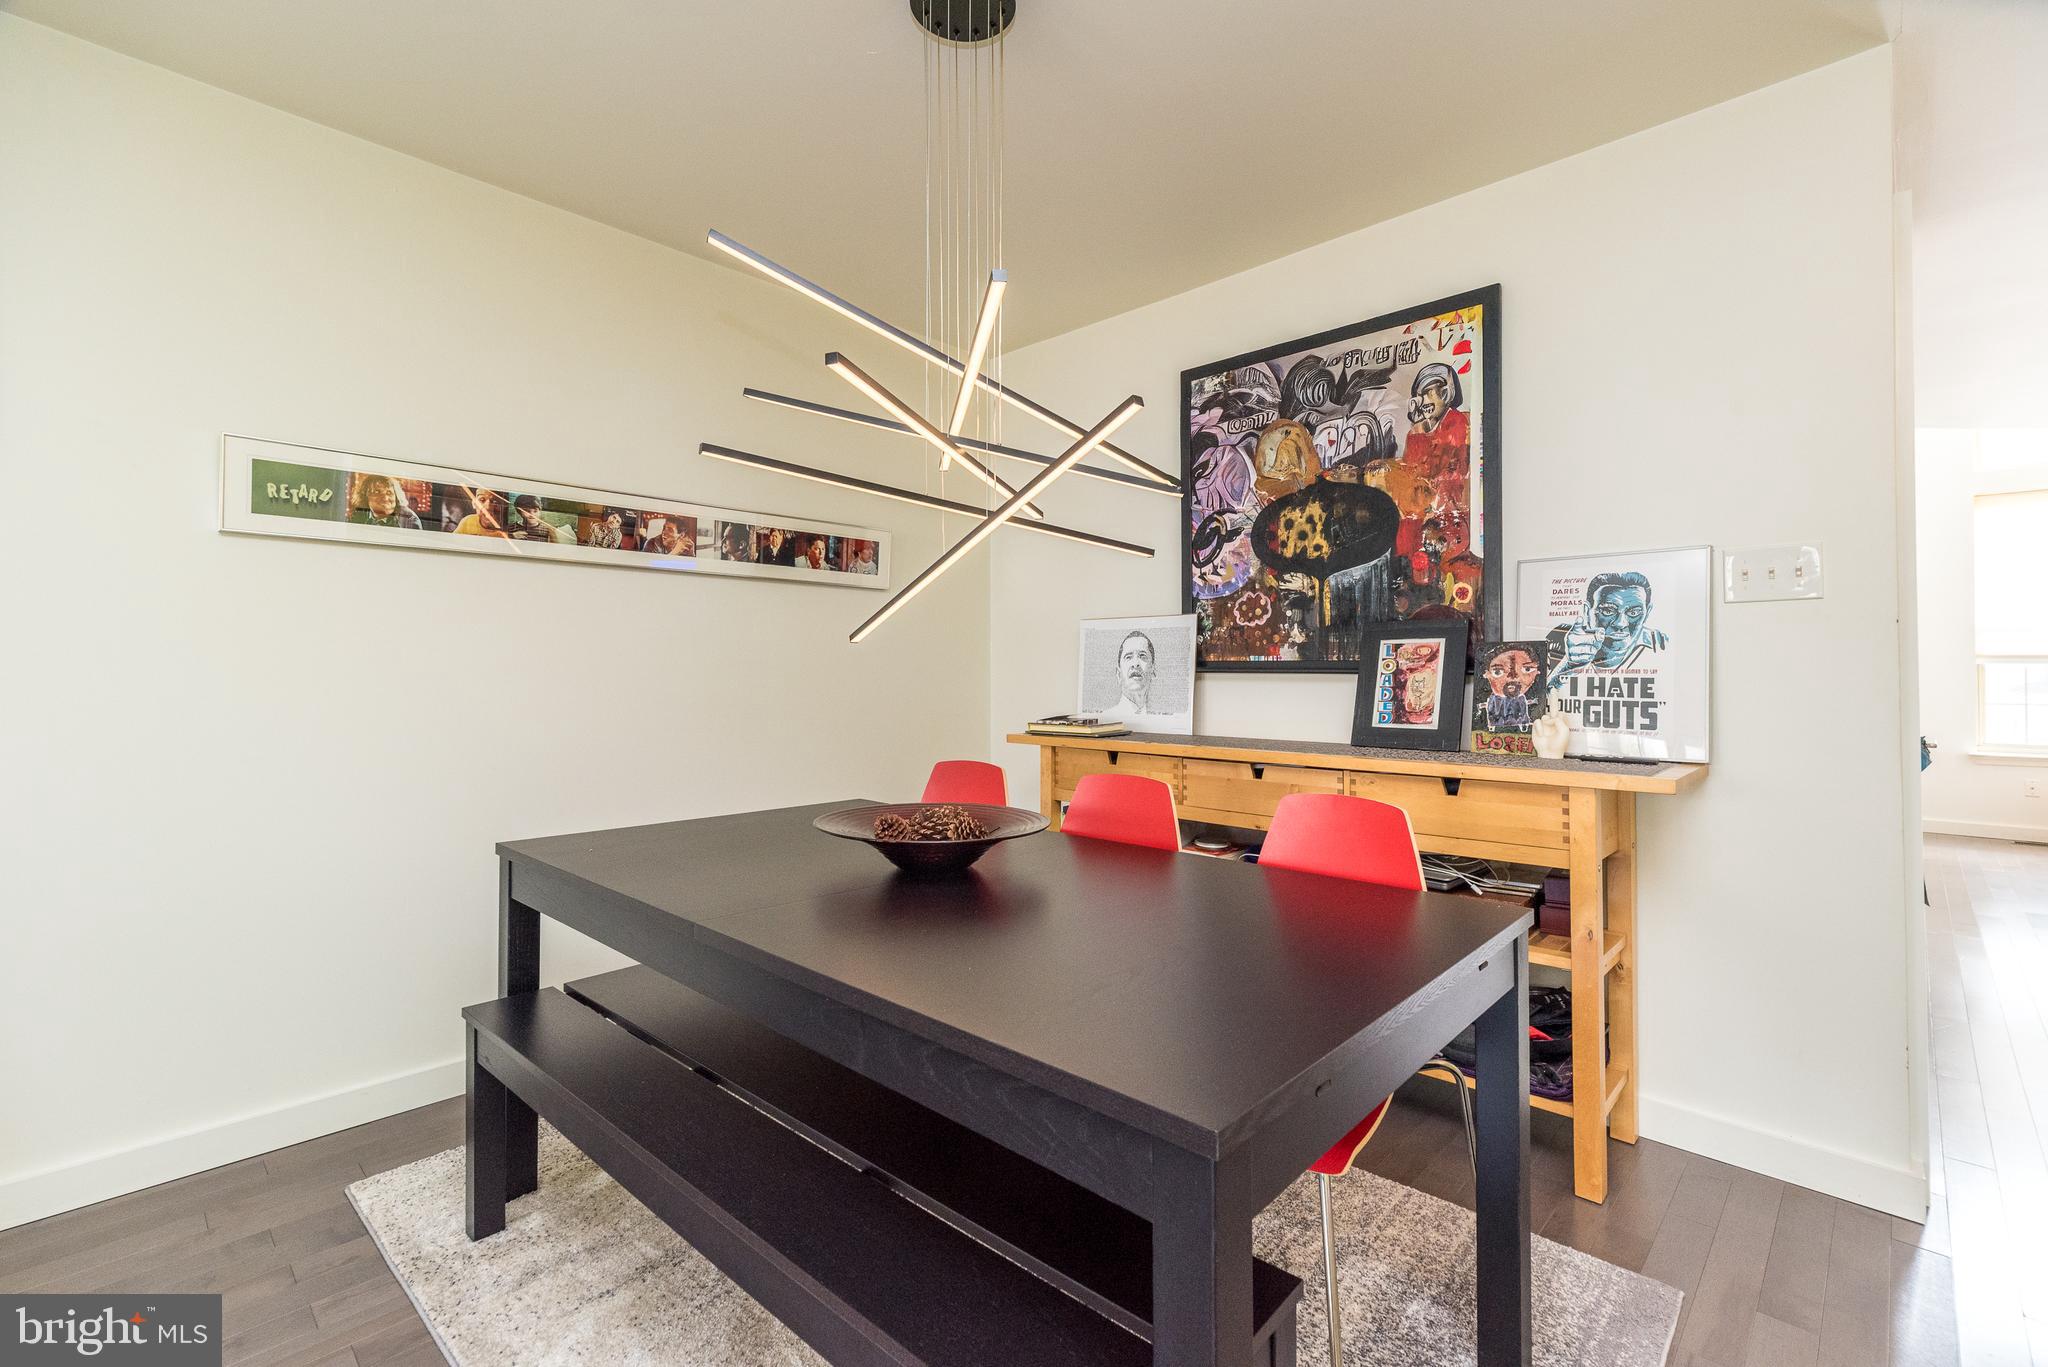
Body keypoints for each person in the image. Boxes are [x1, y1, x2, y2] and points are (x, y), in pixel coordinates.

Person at [1547, 570, 1668, 685]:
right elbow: (1541, 695)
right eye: (1608, 611)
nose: (1621, 623)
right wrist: (1569, 666)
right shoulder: (1557, 640)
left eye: (1634, 613)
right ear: (1587, 611)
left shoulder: (1660, 644)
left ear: (1647, 613)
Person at [1098, 630, 1160, 723]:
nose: (1135, 664)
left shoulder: (1163, 720)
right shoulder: (1105, 720)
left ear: (1153, 671)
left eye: (1142, 656)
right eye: (1128, 657)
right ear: (1118, 674)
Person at [1480, 644, 1542, 732]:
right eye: (1497, 671)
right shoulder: (1494, 700)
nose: (1513, 677)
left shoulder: (1521, 699)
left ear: (1537, 672)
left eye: (1527, 669)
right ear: (1487, 675)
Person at [350, 474, 422, 530]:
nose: (385, 498)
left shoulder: (408, 519)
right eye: (377, 492)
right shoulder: (359, 516)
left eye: (389, 493)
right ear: (365, 496)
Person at [507, 494, 573, 544]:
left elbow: (554, 548)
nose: (532, 514)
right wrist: (511, 536)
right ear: (519, 511)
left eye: (535, 511)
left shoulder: (547, 530)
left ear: (540, 511)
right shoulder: (510, 528)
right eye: (527, 511)